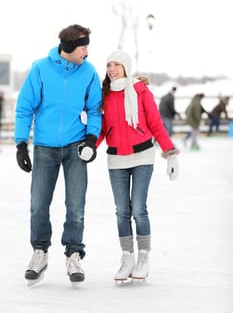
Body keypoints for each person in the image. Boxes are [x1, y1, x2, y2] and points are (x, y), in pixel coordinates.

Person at [14, 24, 102, 285]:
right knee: (38, 204)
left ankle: (74, 254)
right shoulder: (40, 68)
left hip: (76, 147)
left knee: (76, 206)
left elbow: (95, 109)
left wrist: (91, 138)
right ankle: (40, 252)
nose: (87, 51)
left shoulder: (89, 72)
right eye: (83, 46)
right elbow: (24, 108)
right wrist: (21, 143)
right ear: (69, 47)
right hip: (44, 147)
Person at [96, 50, 179, 282]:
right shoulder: (104, 94)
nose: (112, 69)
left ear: (126, 67)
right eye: (108, 64)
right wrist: (90, 145)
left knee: (138, 209)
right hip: (116, 159)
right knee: (122, 211)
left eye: (116, 64)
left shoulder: (141, 91)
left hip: (142, 156)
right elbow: (102, 129)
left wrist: (170, 153)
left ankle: (143, 257)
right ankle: (127, 257)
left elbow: (155, 123)